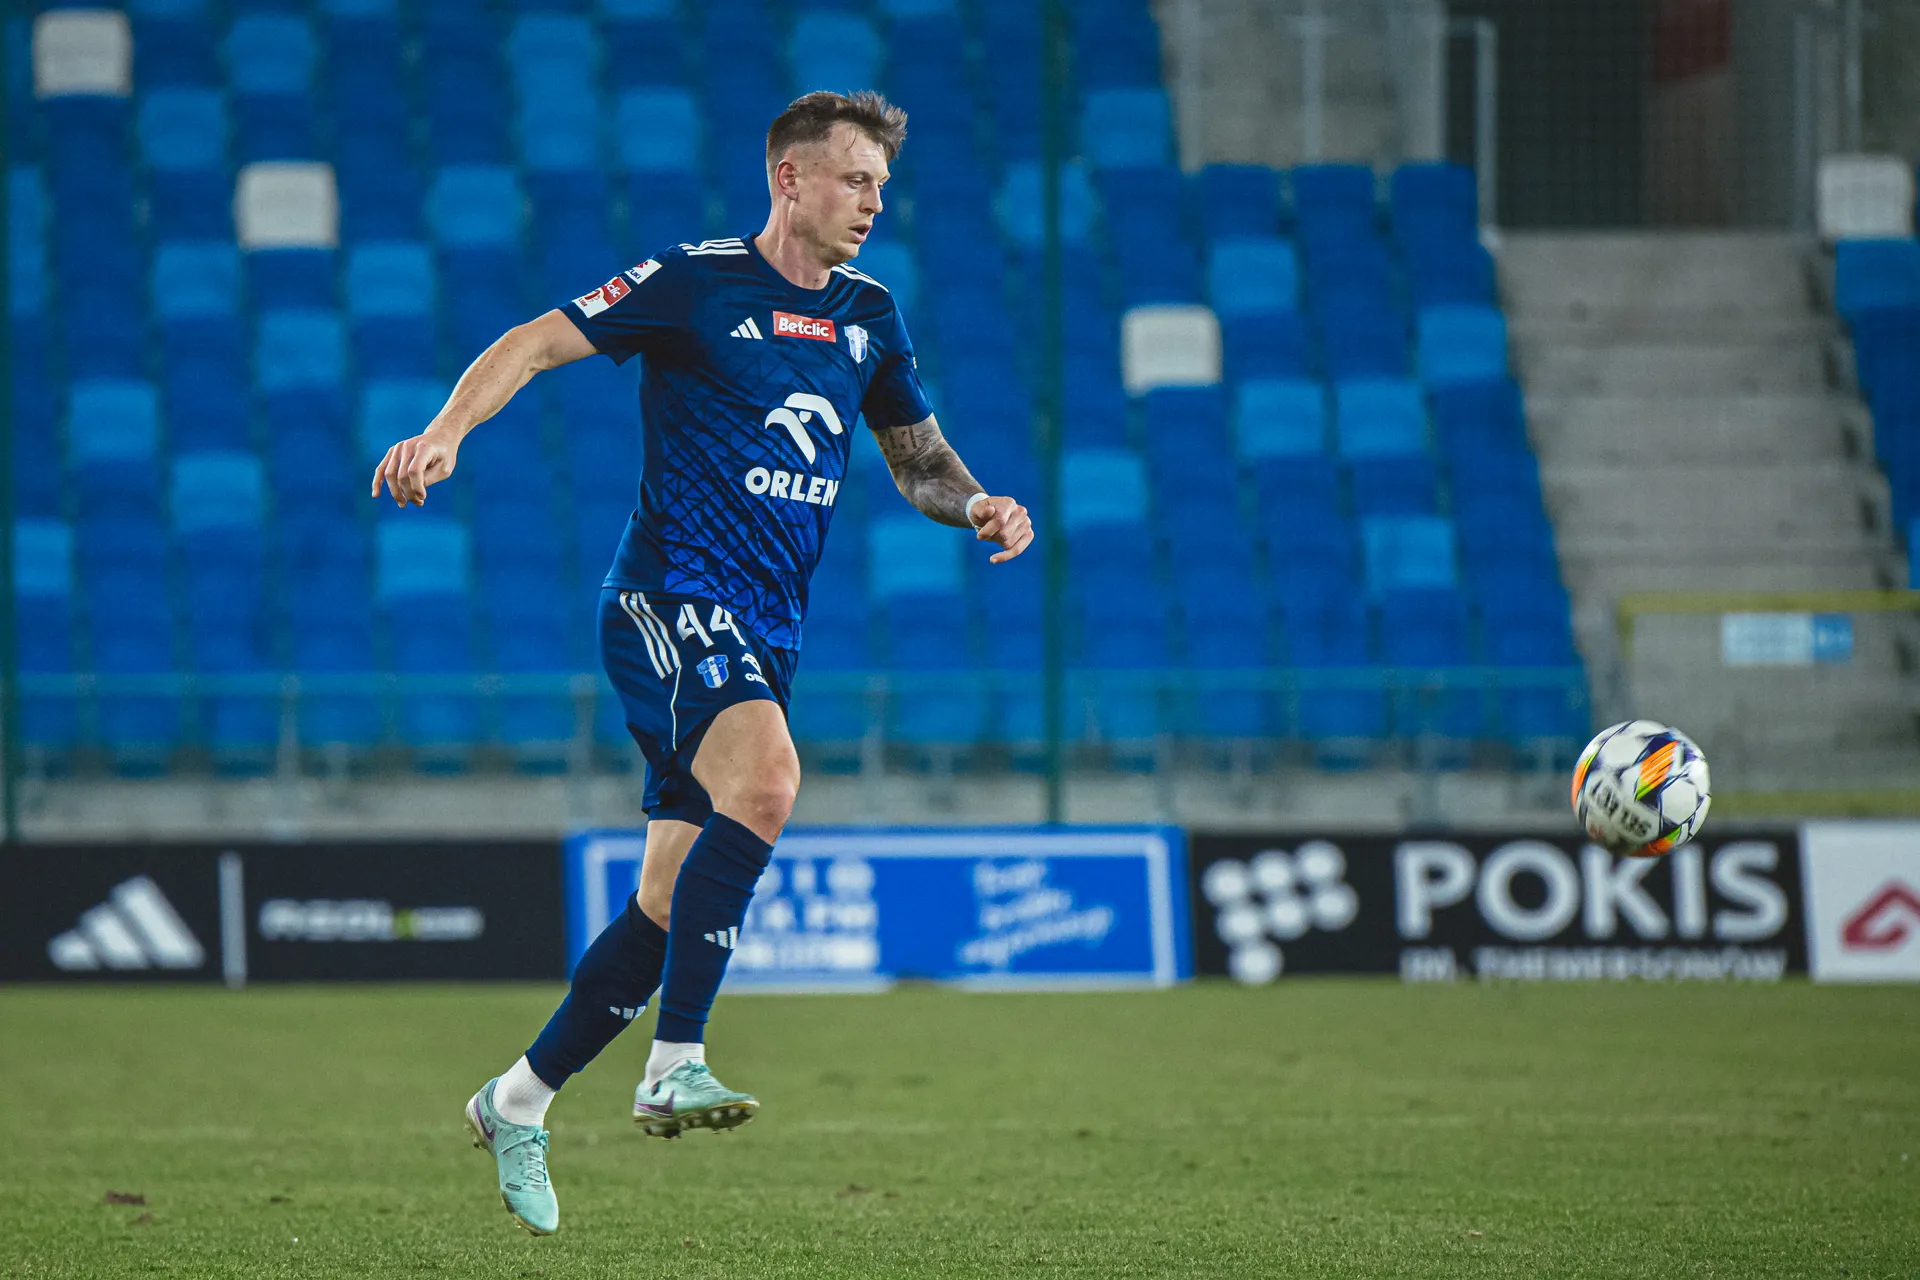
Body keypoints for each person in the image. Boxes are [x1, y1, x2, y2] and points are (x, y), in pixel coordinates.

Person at [370, 90, 1032, 1236]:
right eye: (855, 179)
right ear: (789, 178)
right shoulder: (694, 282)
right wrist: (445, 433)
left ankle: (516, 1098)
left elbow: (917, 460)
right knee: (770, 781)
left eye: (881, 185)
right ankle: (676, 1057)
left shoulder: (871, 315)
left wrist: (977, 503)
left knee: (669, 898)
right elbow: (535, 340)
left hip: (766, 630)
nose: (874, 202)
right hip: (667, 598)